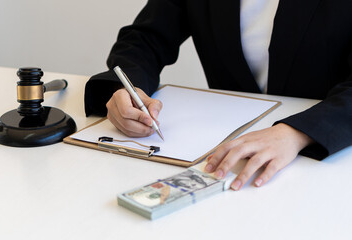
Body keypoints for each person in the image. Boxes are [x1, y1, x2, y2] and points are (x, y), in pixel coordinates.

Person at [84, 0, 352, 191]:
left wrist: (298, 132)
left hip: (325, 155)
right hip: (222, 155)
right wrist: (127, 88)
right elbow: (144, 39)